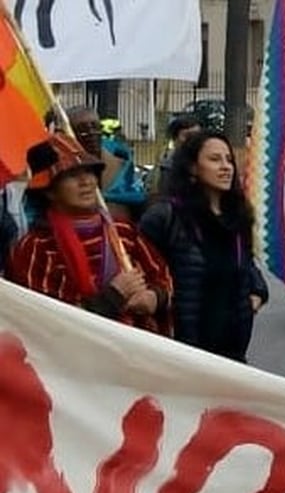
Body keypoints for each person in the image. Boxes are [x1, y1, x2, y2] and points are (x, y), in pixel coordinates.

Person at [7, 132, 173, 334]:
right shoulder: (36, 247)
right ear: (49, 191)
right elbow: (48, 323)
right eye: (71, 175)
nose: (85, 181)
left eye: (89, 172)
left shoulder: (124, 232)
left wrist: (154, 297)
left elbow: (162, 276)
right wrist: (113, 296)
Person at [138, 131, 269, 362]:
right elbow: (145, 272)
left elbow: (246, 263)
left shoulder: (238, 217)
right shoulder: (166, 217)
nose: (226, 166)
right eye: (215, 159)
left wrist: (257, 291)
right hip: (182, 355)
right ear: (192, 167)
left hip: (233, 354)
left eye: (229, 159)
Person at [67, 106, 146, 223]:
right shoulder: (62, 170)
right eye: (82, 129)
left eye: (95, 127)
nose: (91, 134)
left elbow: (135, 196)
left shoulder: (122, 164)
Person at [147, 114, 202, 200]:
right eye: (188, 136)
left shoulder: (209, 166)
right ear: (175, 139)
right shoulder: (162, 171)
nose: (194, 140)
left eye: (198, 136)